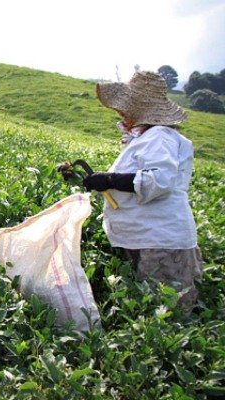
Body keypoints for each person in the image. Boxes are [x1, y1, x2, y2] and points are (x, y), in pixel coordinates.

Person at [81, 70, 203, 310]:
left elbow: (159, 180)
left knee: (166, 312)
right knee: (148, 308)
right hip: (146, 238)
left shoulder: (160, 136)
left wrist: (111, 180)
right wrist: (96, 180)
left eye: (124, 107)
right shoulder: (146, 138)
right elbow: (131, 183)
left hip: (161, 242)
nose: (120, 112)